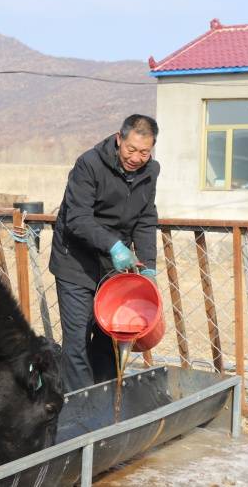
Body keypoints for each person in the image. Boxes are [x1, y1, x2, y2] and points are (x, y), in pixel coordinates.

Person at [49, 114, 160, 392]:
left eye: (144, 152)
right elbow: (77, 219)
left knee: (108, 335)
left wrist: (148, 266)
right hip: (76, 261)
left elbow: (146, 217)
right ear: (118, 139)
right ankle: (81, 408)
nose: (136, 157)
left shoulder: (150, 171)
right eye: (131, 149)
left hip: (112, 266)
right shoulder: (89, 164)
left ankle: (108, 403)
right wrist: (114, 245)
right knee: (76, 341)